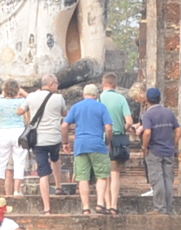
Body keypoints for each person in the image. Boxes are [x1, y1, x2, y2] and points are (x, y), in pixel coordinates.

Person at [65, 80, 114, 215]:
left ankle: (86, 207)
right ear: (96, 95)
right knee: (102, 176)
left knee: (82, 177)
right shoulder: (101, 107)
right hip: (97, 144)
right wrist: (107, 142)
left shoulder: (76, 107)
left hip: (80, 144)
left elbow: (64, 125)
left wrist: (65, 142)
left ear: (83, 95)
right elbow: (109, 128)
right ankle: (100, 204)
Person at [21, 73, 67, 215]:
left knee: (43, 172)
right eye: (57, 83)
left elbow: (20, 111)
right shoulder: (58, 98)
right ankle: (58, 186)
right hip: (54, 138)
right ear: (51, 84)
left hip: (38, 140)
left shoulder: (31, 97)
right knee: (55, 158)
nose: (58, 86)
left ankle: (47, 208)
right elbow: (65, 113)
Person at [136, 86, 179, 214]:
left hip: (154, 150)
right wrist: (173, 144)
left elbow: (147, 132)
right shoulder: (169, 113)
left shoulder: (148, 114)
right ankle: (168, 208)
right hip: (168, 150)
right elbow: (178, 130)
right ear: (160, 99)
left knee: (157, 179)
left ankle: (160, 209)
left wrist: (144, 146)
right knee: (168, 180)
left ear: (147, 100)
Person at [97, 73, 134, 212]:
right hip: (117, 139)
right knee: (115, 174)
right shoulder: (121, 99)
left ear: (103, 84)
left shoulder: (99, 98)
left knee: (104, 175)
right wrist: (122, 129)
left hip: (102, 139)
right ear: (115, 85)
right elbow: (129, 121)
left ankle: (105, 204)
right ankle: (114, 205)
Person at [0, 79, 29, 194]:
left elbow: (1, 98)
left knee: (0, 161)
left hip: (4, 131)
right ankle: (16, 190)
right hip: (18, 131)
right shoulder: (21, 101)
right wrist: (21, 91)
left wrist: (3, 93)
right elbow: (30, 98)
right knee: (19, 161)